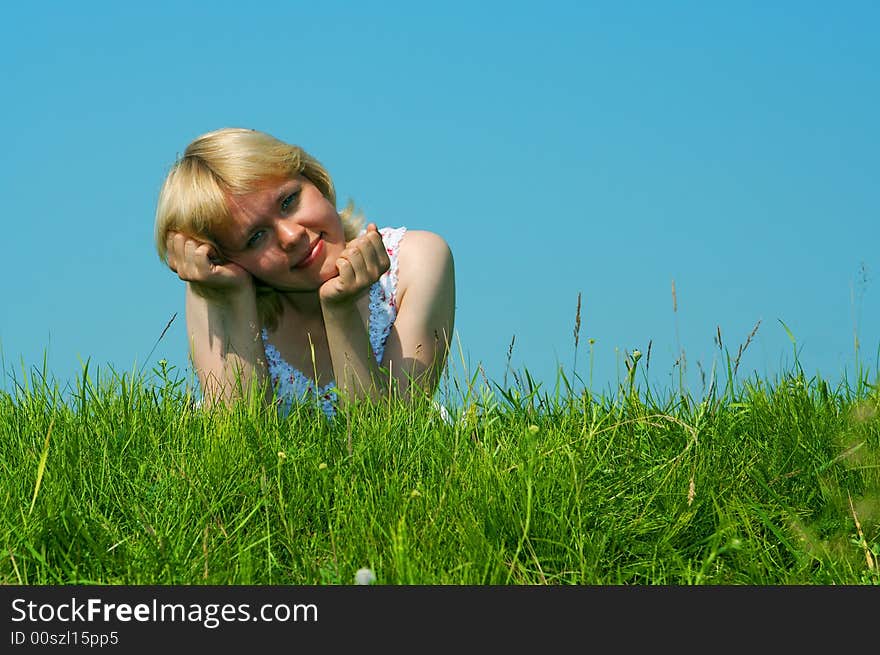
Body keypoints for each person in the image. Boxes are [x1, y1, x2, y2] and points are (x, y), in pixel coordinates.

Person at [154, 127, 455, 418]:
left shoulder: (414, 261)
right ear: (226, 258)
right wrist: (235, 299)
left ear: (314, 180)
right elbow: (239, 451)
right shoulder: (218, 290)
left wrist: (340, 312)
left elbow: (387, 448)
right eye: (255, 237)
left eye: (288, 201)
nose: (291, 236)